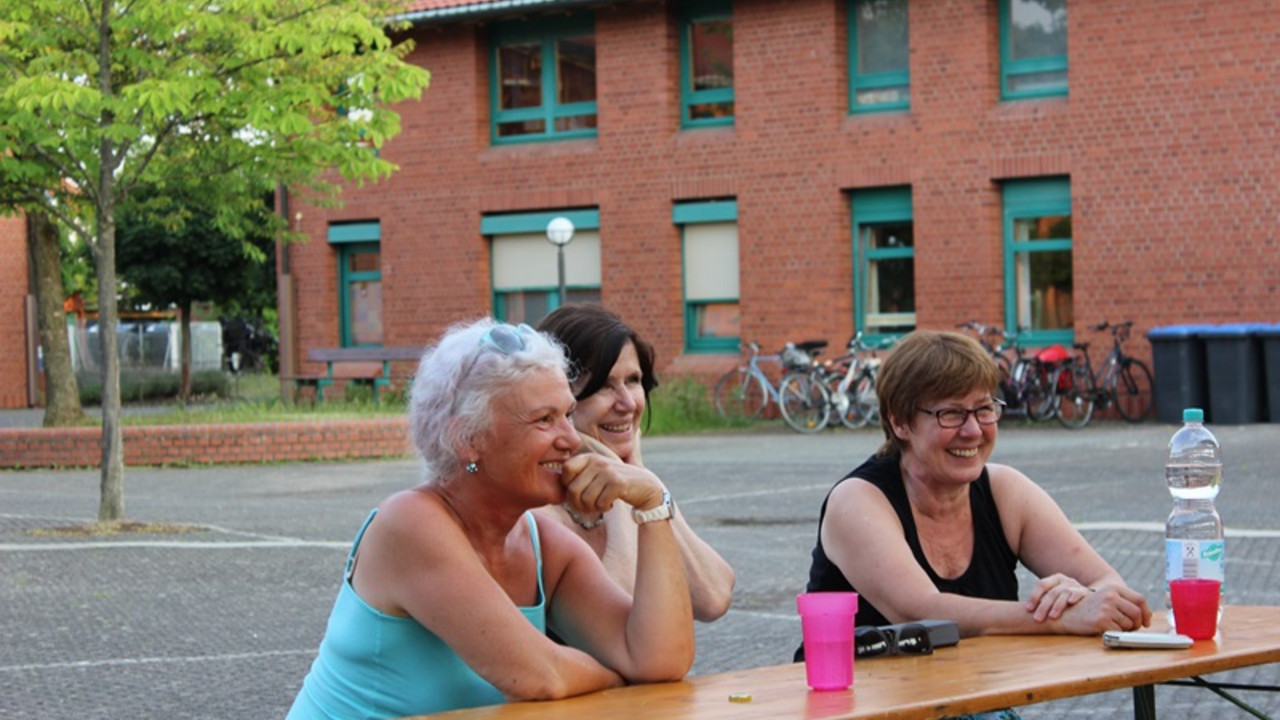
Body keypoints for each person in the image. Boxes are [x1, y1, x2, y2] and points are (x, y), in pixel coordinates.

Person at [286, 319, 694, 720]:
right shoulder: (409, 524)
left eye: (569, 414)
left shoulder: (542, 545)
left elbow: (660, 659)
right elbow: (540, 677)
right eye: (544, 420)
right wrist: (617, 678)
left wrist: (652, 503)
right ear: (468, 440)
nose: (572, 439)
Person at [801, 329, 1151, 640]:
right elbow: (917, 611)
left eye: (984, 409)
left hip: (979, 701)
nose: (973, 430)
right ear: (900, 422)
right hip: (863, 706)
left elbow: (1110, 586)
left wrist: (1080, 596)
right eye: (951, 414)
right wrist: (1058, 617)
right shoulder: (857, 500)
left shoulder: (1006, 491)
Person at [536, 303, 735, 622]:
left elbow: (712, 597)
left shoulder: (638, 481)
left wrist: (644, 480)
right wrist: (625, 491)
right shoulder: (534, 507)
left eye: (632, 380)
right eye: (603, 386)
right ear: (557, 399)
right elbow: (619, 621)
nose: (628, 403)